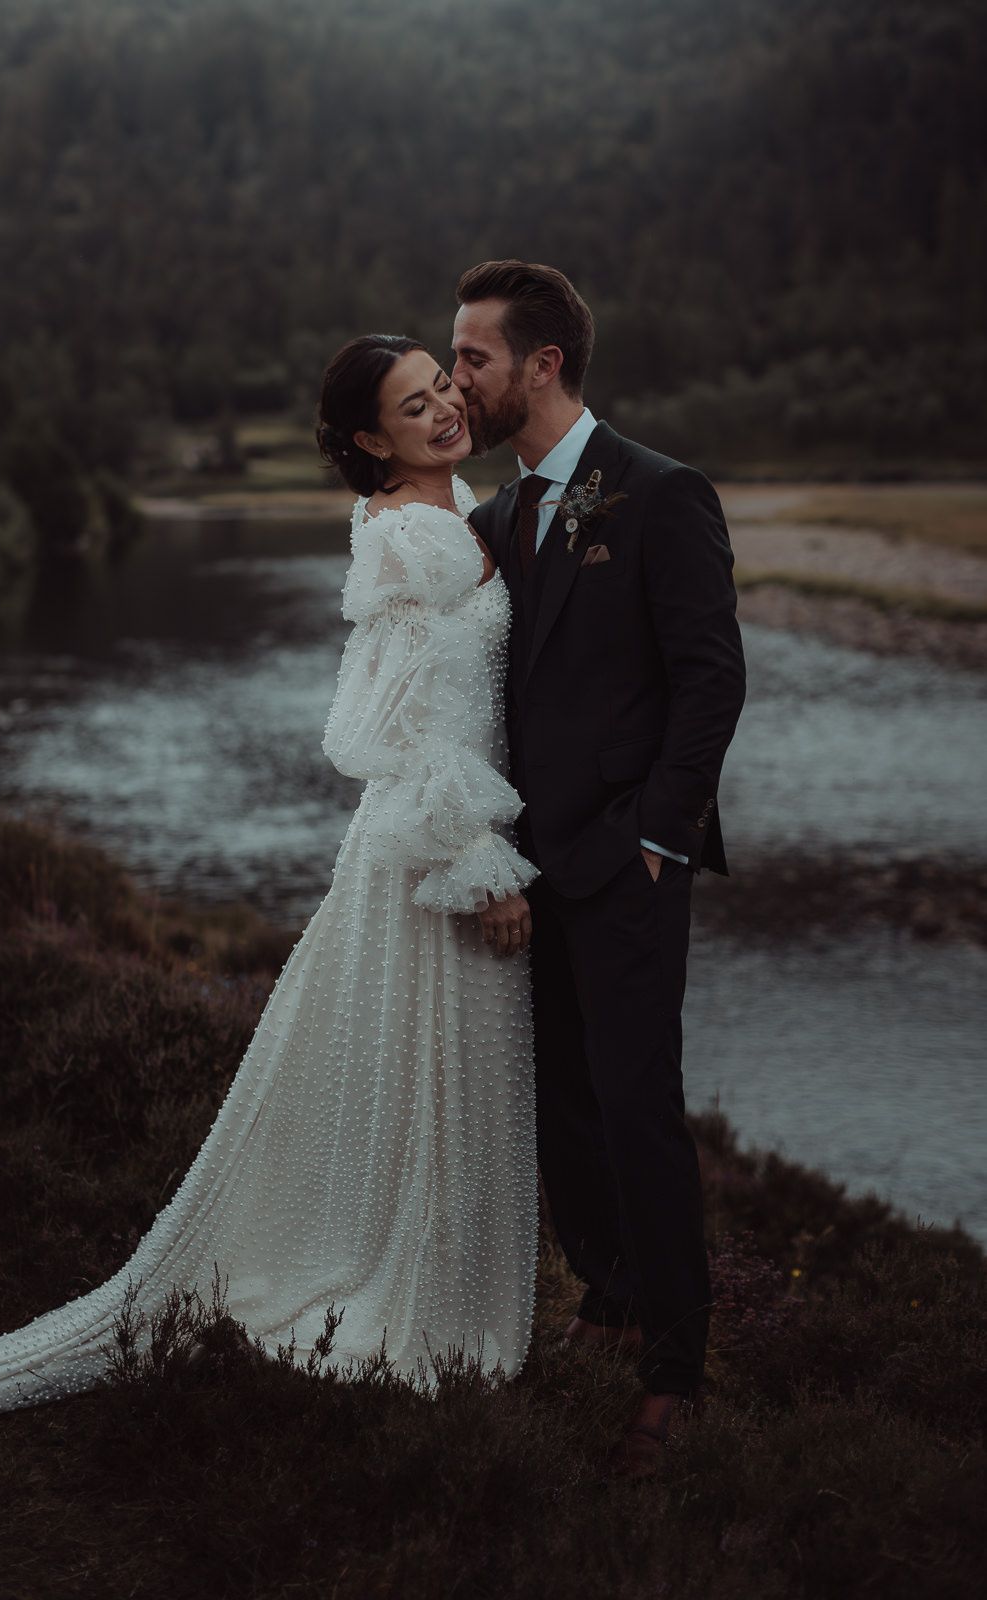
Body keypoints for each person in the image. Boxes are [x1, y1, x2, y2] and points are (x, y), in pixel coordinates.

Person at [0, 335, 541, 1427]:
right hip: (432, 853)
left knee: (448, 1079)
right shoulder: (406, 538)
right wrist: (478, 866)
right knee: (427, 1075)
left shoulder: (451, 509)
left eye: (442, 386)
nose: (444, 408)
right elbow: (397, 732)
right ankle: (411, 1312)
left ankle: (444, 1297)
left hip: (442, 835)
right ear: (370, 438)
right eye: (412, 406)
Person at [452, 260, 747, 1478]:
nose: (456, 379)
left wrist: (656, 839)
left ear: (542, 365)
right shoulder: (492, 520)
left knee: (635, 1110)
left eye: (471, 357)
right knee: (557, 1103)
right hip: (525, 872)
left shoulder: (661, 494)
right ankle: (608, 1290)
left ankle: (675, 1371)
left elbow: (709, 679)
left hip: (626, 863)